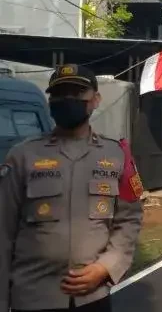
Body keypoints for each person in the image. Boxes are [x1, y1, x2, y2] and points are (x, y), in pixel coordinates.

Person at [0, 65, 144, 312]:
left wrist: (106, 267)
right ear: (50, 101)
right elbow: (3, 233)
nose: (68, 100)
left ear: (95, 100)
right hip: (33, 298)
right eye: (60, 93)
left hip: (93, 298)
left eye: (77, 93)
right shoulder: (22, 156)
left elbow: (129, 220)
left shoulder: (117, 155)